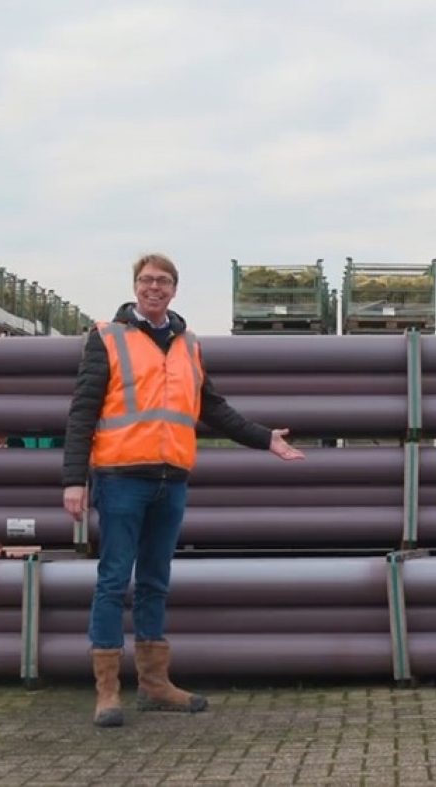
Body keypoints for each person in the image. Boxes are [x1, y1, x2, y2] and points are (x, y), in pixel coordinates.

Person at [62, 253, 305, 728]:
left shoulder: (187, 345)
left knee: (155, 582)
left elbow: (212, 408)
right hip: (120, 478)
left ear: (174, 290)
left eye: (164, 281)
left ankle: (154, 685)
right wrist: (74, 479)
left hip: (170, 480)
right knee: (113, 581)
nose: (155, 287)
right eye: (147, 280)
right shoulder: (107, 338)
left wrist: (264, 438)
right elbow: (82, 411)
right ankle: (108, 693)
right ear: (135, 286)